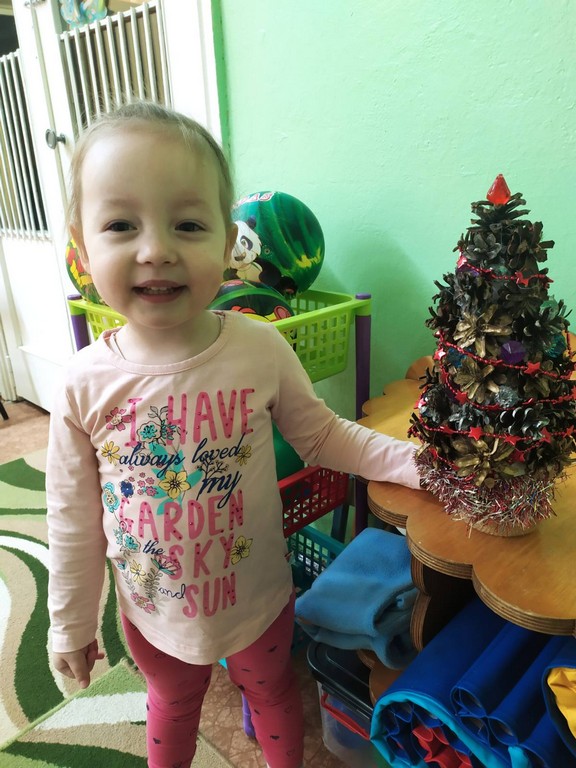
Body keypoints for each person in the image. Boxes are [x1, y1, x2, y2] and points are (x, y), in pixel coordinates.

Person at [46, 101, 421, 768]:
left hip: (258, 601)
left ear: (226, 246)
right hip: (152, 613)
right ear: (81, 249)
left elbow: (324, 437)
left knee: (273, 691)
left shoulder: (259, 348)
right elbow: (72, 521)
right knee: (172, 704)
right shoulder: (82, 383)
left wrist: (418, 464)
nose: (156, 249)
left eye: (188, 224)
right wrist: (69, 624)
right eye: (121, 225)